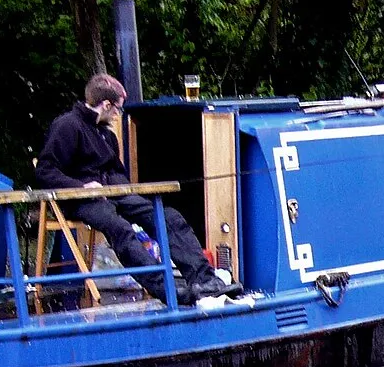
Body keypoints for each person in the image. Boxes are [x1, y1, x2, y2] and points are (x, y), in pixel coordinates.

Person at [35, 73, 240, 301]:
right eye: (117, 109)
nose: (117, 115)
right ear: (106, 105)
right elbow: (45, 171)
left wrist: (125, 191)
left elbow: (117, 172)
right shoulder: (66, 126)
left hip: (115, 194)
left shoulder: (106, 134)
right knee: (121, 229)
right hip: (81, 200)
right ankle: (168, 290)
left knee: (168, 217)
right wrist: (82, 186)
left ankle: (205, 280)